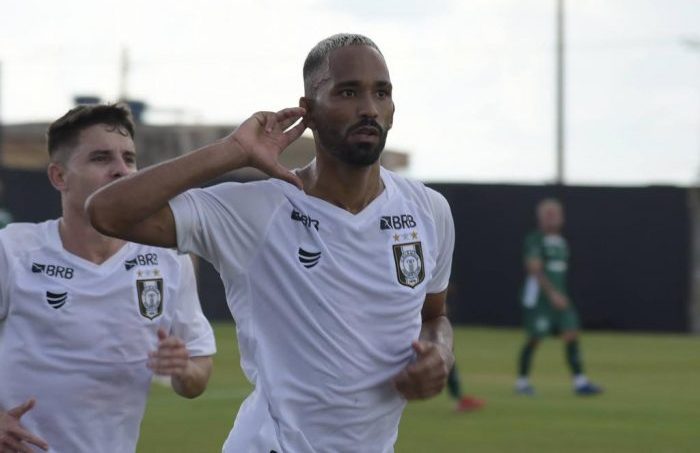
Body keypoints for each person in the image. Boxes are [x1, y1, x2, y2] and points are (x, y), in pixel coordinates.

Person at [88, 33, 455, 452]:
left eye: (381, 93)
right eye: (348, 92)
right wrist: (233, 151)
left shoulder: (429, 210)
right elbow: (106, 212)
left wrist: (439, 352)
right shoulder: (256, 210)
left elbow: (434, 316)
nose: (368, 108)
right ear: (309, 111)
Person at [0, 104, 216, 453]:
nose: (121, 170)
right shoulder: (13, 250)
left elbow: (198, 369)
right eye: (101, 158)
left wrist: (182, 370)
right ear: (59, 177)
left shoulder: (168, 260)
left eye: (129, 159)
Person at [515, 198, 602, 396]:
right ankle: (522, 382)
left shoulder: (562, 242)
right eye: (548, 215)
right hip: (540, 300)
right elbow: (535, 269)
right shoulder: (535, 239)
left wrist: (560, 294)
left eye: (555, 214)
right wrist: (552, 293)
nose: (552, 219)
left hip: (561, 298)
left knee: (572, 333)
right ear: (540, 218)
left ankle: (580, 382)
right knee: (535, 338)